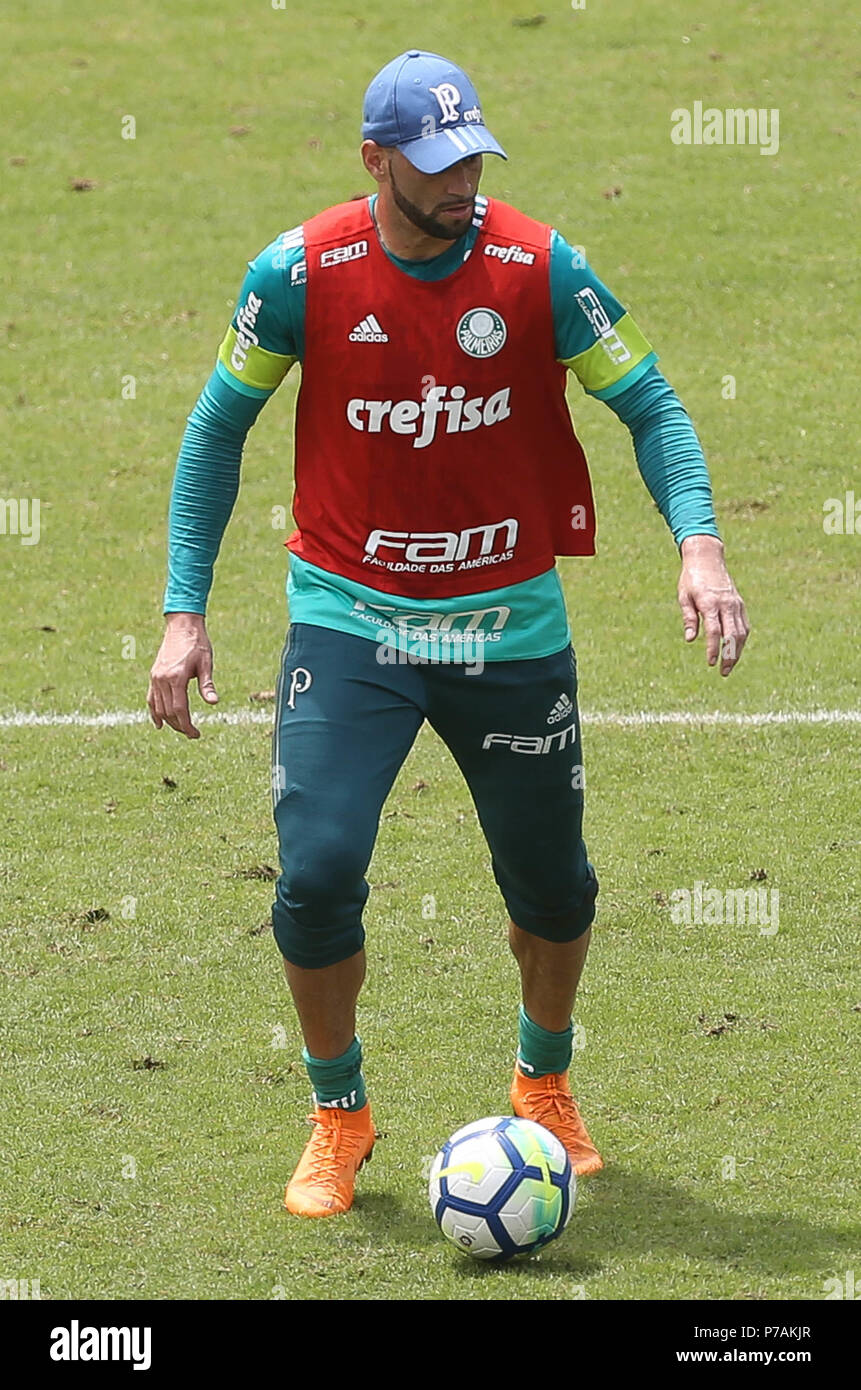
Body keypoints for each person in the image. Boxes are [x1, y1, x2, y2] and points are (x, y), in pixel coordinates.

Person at [147, 50, 749, 1219]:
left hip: (508, 628)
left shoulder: (538, 266)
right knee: (315, 876)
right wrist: (185, 609)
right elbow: (214, 430)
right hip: (351, 619)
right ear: (374, 161)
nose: (461, 181)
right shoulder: (300, 274)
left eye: (473, 156)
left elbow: (652, 404)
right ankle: (339, 1112)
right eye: (434, 164)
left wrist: (702, 542)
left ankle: (546, 1081)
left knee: (555, 888)